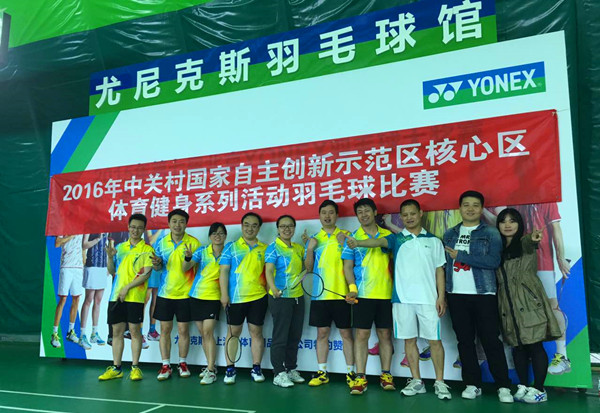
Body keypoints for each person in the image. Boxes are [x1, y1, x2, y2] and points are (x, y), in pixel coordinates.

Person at [346, 199, 451, 399]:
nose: (409, 218)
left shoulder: (434, 241)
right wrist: (357, 243)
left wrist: (441, 297)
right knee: (409, 341)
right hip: (402, 300)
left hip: (429, 300)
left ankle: (440, 382)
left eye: (412, 213)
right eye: (405, 215)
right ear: (401, 218)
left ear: (420, 213)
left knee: (435, 341)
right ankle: (417, 381)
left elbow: (440, 271)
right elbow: (378, 242)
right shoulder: (396, 239)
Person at [443, 190, 513, 402]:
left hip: (484, 294)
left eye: (475, 205)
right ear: (460, 208)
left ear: (481, 209)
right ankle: (472, 384)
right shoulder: (450, 234)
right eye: (466, 205)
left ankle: (503, 386)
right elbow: (445, 266)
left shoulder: (491, 233)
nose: (470, 209)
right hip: (456, 295)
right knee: (464, 342)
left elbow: (493, 262)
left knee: (491, 340)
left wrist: (462, 256)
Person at [496, 208, 561, 403]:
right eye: (503, 221)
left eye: (512, 221)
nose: (508, 225)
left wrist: (533, 238)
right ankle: (524, 385)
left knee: (534, 345)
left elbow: (530, 242)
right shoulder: (497, 249)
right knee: (518, 347)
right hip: (507, 304)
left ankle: (539, 389)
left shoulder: (524, 243)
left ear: (520, 224)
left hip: (528, 301)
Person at [341, 198, 394, 395]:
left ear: (375, 212)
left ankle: (386, 375)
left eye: (367, 211)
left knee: (385, 335)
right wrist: (352, 288)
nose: (363, 215)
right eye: (360, 212)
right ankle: (360, 377)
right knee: (361, 336)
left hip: (386, 294)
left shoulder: (389, 236)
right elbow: (347, 267)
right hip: (362, 295)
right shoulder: (351, 238)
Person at [513, 203, 571, 375]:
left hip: (542, 262)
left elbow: (556, 229)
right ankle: (530, 350)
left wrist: (560, 257)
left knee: (552, 307)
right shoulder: (514, 198)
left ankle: (562, 356)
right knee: (524, 309)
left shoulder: (546, 200)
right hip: (518, 264)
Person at [304, 200, 356, 388]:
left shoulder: (347, 235)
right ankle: (322, 372)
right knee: (322, 334)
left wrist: (344, 244)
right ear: (319, 216)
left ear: (337, 215)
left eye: (331, 212)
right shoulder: (314, 239)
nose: (327, 216)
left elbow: (354, 262)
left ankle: (351, 373)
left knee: (346, 334)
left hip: (343, 295)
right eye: (324, 212)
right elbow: (308, 269)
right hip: (320, 295)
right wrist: (310, 248)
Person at [98, 214, 155, 381]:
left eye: (139, 227)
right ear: (128, 228)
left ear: (144, 229)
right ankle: (116, 368)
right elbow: (112, 270)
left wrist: (127, 288)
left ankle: (135, 368)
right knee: (117, 332)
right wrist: (110, 257)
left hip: (135, 297)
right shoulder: (120, 247)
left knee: (135, 332)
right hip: (116, 296)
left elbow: (146, 275)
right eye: (133, 227)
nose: (135, 230)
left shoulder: (147, 250)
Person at [151, 209, 201, 381]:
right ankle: (165, 365)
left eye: (181, 221)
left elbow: (197, 268)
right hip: (165, 293)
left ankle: (182, 363)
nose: (177, 225)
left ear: (186, 224)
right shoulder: (161, 242)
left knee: (183, 330)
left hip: (186, 294)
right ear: (169, 223)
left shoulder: (194, 243)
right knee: (164, 330)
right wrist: (157, 263)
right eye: (174, 221)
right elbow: (157, 267)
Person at [219, 212, 268, 384]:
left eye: (254, 225)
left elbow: (269, 274)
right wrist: (224, 294)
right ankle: (230, 369)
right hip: (235, 298)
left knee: (257, 332)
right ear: (241, 226)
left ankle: (256, 368)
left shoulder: (265, 248)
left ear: (259, 228)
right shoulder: (231, 247)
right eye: (246, 225)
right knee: (233, 333)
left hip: (258, 298)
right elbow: (223, 272)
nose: (250, 228)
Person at [182, 222, 227, 385]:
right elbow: (185, 268)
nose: (217, 236)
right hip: (196, 296)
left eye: (221, 233)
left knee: (208, 332)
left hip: (213, 297)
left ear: (225, 236)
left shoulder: (228, 252)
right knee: (203, 333)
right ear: (210, 236)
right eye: (214, 233)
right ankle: (211, 366)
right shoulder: (202, 251)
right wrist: (188, 257)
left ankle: (210, 370)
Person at [265, 215, 306, 388]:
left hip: (297, 297)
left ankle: (290, 368)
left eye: (290, 226)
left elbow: (306, 268)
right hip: (279, 297)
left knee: (294, 335)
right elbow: (268, 270)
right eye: (283, 226)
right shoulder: (273, 248)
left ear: (294, 228)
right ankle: (278, 372)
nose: (286, 229)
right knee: (280, 336)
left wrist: (309, 246)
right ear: (278, 229)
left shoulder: (298, 248)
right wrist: (274, 288)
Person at [51, 234, 98, 348]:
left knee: (76, 299)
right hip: (66, 266)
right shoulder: (64, 227)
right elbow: (57, 243)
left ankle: (70, 332)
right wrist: (71, 236)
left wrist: (83, 258)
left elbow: (82, 246)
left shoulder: (82, 228)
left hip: (78, 267)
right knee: (63, 299)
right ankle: (54, 334)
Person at [79, 233, 109, 350]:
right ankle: (82, 335)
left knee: (98, 301)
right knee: (88, 300)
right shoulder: (89, 227)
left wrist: (108, 264)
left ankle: (94, 333)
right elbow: (84, 245)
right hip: (92, 265)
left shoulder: (107, 228)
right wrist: (97, 239)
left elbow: (106, 245)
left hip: (103, 266)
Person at [145, 229, 165, 342]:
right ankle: (139, 330)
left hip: (160, 263)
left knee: (155, 300)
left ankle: (152, 331)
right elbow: (151, 240)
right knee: (145, 300)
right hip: (148, 262)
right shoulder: (150, 225)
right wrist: (160, 229)